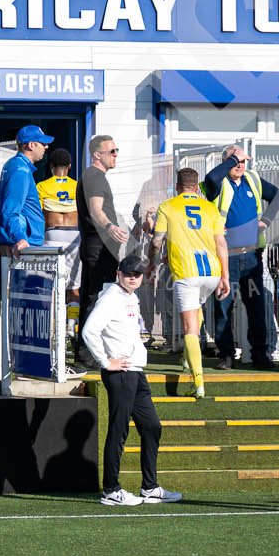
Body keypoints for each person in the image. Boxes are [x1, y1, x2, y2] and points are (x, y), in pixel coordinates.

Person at [84, 259, 183, 507]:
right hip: (121, 373)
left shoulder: (130, 297)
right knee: (119, 430)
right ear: (118, 273)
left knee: (152, 427)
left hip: (135, 372)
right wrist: (106, 362)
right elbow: (89, 331)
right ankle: (111, 489)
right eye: (128, 274)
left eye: (137, 274)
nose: (133, 278)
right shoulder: (111, 298)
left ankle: (149, 487)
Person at [152, 166, 228, 397]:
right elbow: (221, 243)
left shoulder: (167, 206)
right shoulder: (210, 208)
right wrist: (225, 276)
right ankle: (187, 358)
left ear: (177, 187)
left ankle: (198, 382)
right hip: (212, 272)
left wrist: (151, 263)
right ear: (196, 188)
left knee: (189, 327)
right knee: (196, 312)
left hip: (186, 273)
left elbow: (156, 241)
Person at [204, 144, 279, 370]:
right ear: (226, 162)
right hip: (225, 257)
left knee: (256, 307)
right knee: (223, 308)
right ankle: (226, 355)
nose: (240, 165)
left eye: (243, 161)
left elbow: (278, 196)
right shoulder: (218, 183)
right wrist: (233, 158)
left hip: (251, 258)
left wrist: (266, 221)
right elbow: (210, 177)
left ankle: (260, 354)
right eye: (235, 161)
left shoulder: (252, 179)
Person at [77, 134, 130, 333]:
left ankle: (86, 345)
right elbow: (95, 209)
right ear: (97, 155)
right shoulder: (95, 176)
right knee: (98, 296)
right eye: (112, 151)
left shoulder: (93, 176)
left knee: (93, 295)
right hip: (99, 245)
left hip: (98, 244)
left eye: (117, 151)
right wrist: (109, 227)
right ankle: (89, 344)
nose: (115, 155)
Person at [0, 125, 50, 253]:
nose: (46, 147)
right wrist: (20, 238)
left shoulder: (17, 166)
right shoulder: (20, 169)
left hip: (23, 242)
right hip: (22, 246)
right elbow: (10, 210)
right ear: (31, 145)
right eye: (43, 143)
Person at [37, 147, 81, 248]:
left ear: (51, 165)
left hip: (53, 232)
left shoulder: (42, 186)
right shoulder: (78, 186)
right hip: (75, 232)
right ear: (69, 166)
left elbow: (37, 213)